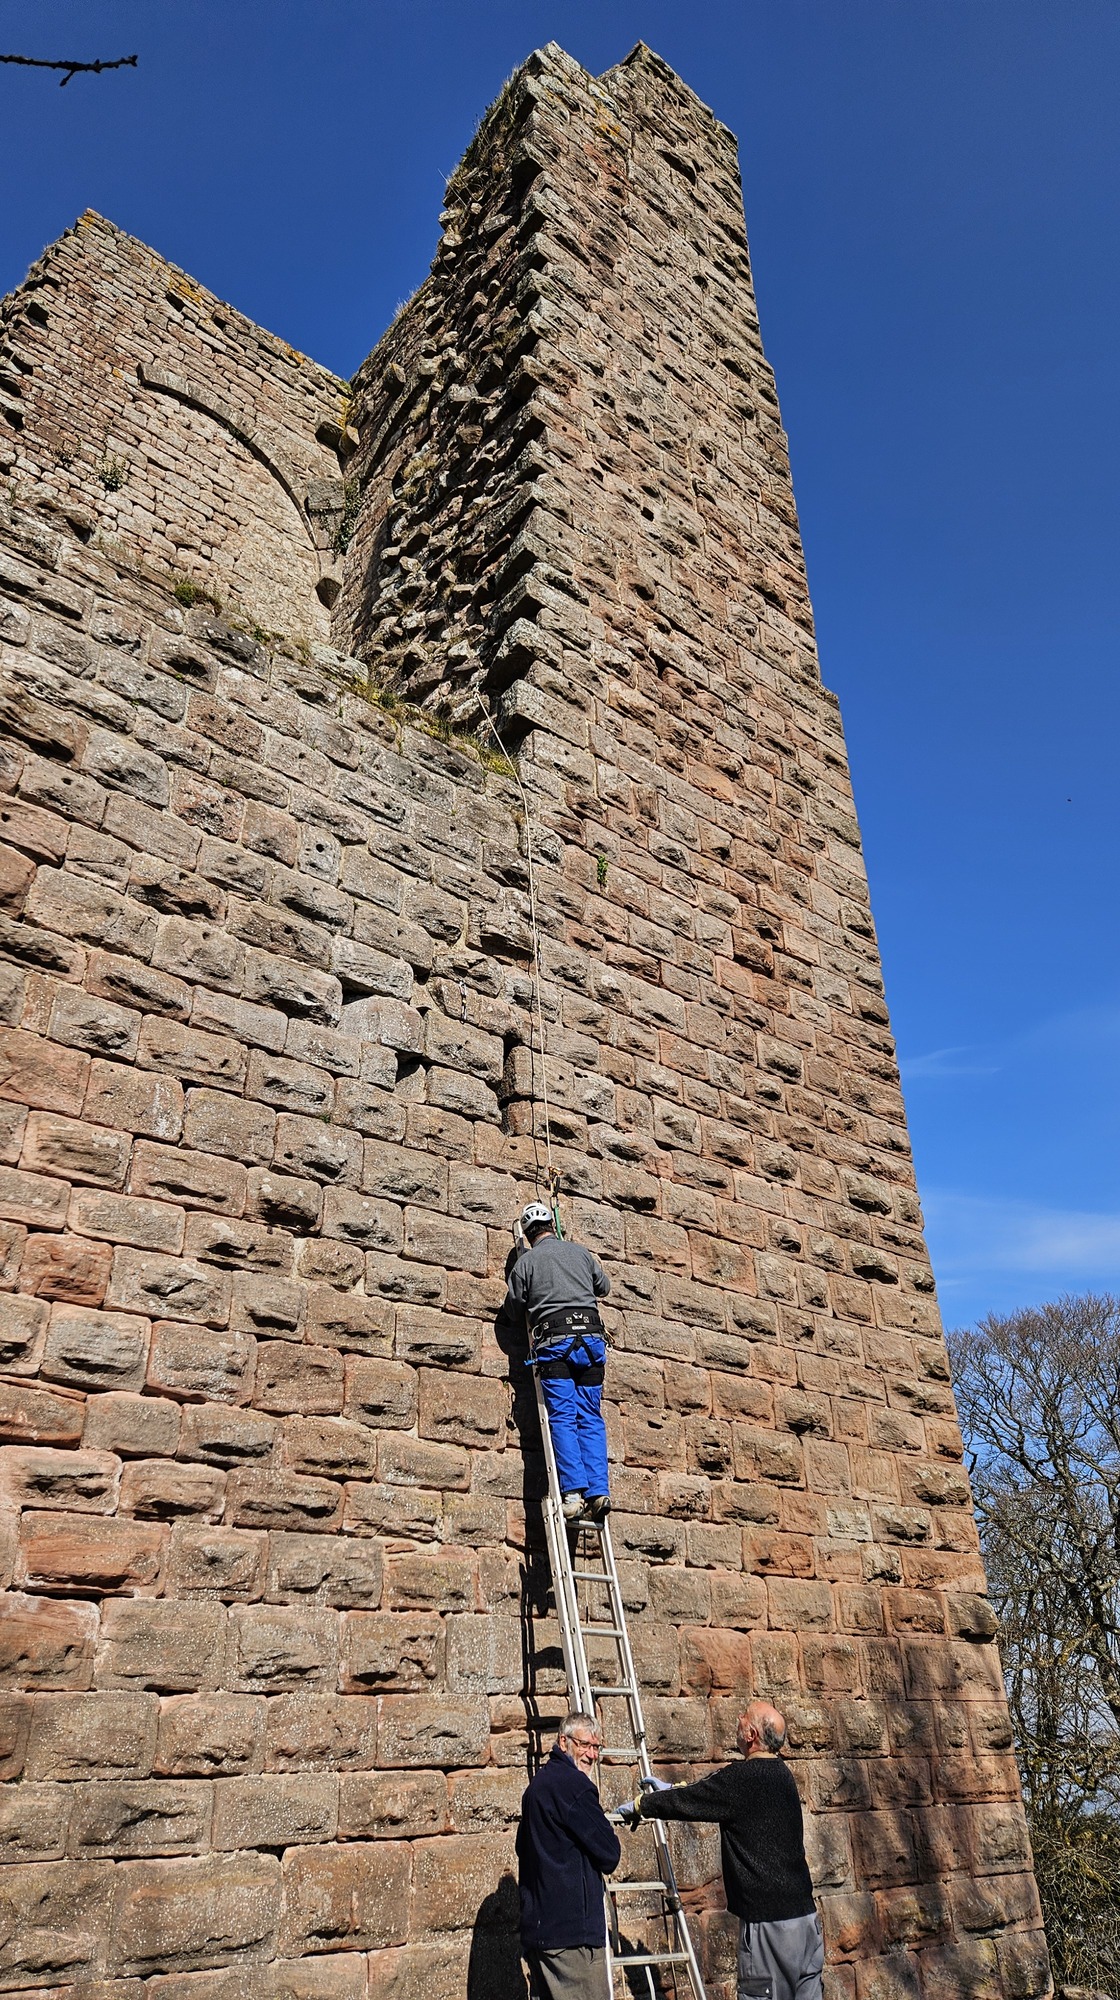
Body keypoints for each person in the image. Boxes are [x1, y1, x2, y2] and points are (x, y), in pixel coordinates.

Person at [622, 1701, 824, 2000]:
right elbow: (706, 1793)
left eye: (744, 1716)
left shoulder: (742, 1778)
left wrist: (643, 1804)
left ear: (752, 1734)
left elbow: (693, 1800)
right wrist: (673, 1789)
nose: (738, 1718)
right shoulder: (783, 1775)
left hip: (770, 1924)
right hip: (805, 1920)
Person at [506, 1200, 611, 1520]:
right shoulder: (581, 1253)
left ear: (528, 1233)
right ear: (552, 1225)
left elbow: (514, 1309)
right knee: (590, 1417)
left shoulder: (526, 1262)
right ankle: (599, 1492)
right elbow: (603, 1287)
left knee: (563, 1417)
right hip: (591, 1344)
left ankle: (574, 1494)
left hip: (555, 1345)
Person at [516, 1709, 621, 2000]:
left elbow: (522, 1847)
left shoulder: (536, 1787)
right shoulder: (574, 1786)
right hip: (571, 1937)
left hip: (540, 1933)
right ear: (563, 1742)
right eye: (584, 1744)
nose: (592, 1754)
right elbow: (610, 1854)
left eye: (596, 1747)